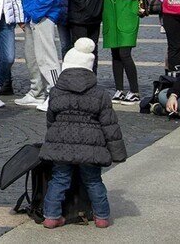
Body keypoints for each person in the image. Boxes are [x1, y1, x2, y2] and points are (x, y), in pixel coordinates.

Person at [39, 38, 127, 229]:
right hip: (91, 146)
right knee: (94, 181)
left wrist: (53, 138)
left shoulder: (56, 91)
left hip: (60, 143)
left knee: (59, 179)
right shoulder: (100, 93)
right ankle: (102, 216)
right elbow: (110, 125)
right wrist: (118, 153)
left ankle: (52, 216)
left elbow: (50, 119)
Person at [101, 0, 147, 105]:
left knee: (125, 53)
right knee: (115, 54)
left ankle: (134, 91)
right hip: (110, 16)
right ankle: (119, 89)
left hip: (127, 14)